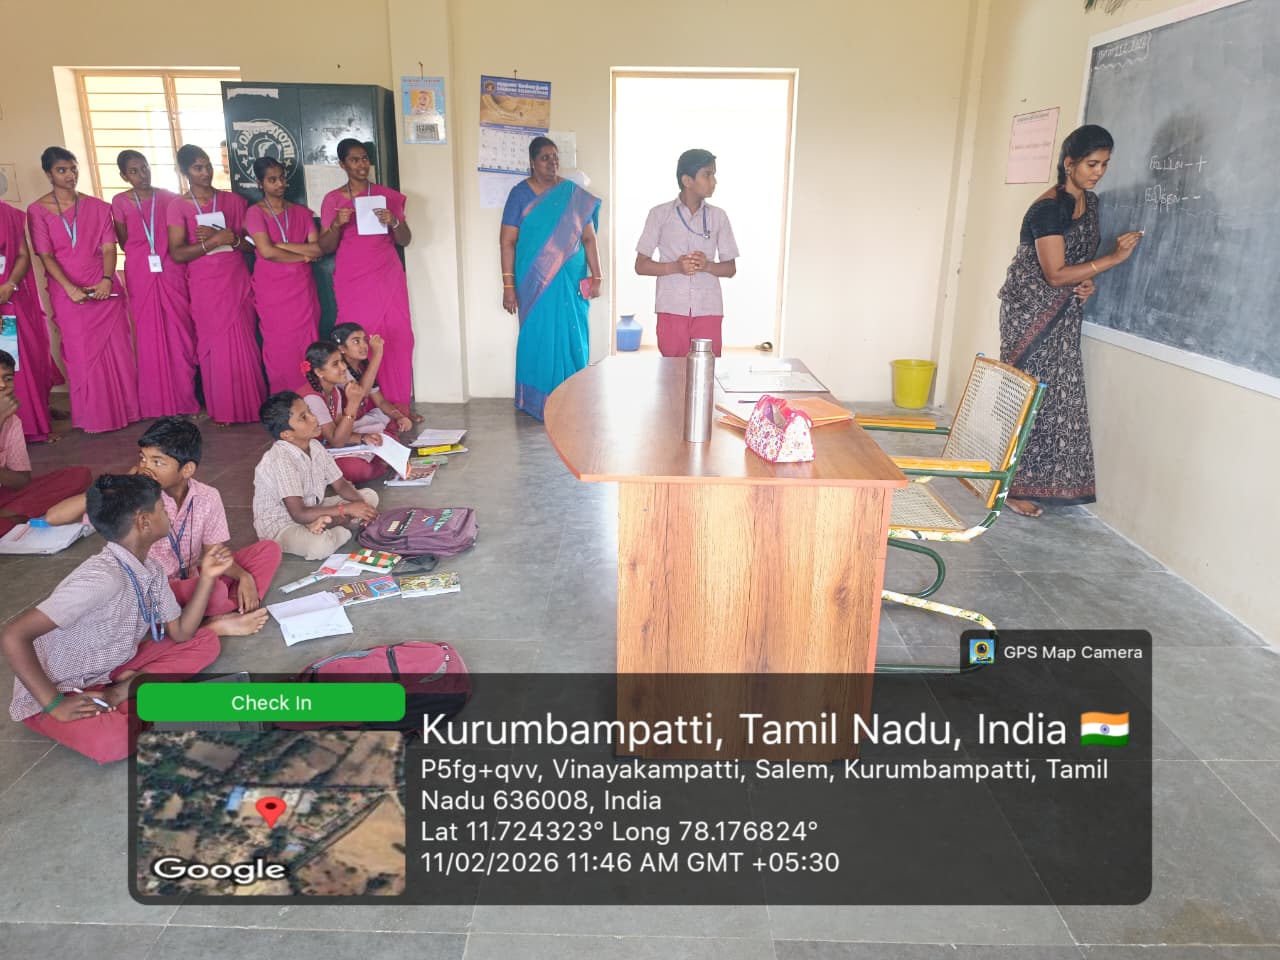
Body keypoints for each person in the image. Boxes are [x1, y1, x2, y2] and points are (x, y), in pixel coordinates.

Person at [1, 474, 226, 764]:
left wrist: (207, 577)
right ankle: (132, 696)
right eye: (162, 507)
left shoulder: (151, 569)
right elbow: (13, 635)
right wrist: (55, 705)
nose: (168, 513)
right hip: (57, 687)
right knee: (114, 741)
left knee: (205, 641)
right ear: (144, 521)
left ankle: (120, 693)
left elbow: (181, 633)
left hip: (108, 668)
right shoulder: (100, 578)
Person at [997, 124, 1143, 517]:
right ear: (1069, 163)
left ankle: (1037, 482)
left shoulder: (1090, 204)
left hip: (1065, 312)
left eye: (1105, 164)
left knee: (1058, 400)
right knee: (1029, 396)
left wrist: (1088, 280)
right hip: (1030, 313)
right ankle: (1008, 487)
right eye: (1092, 164)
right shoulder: (1047, 209)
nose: (1099, 172)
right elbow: (1054, 274)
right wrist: (1112, 259)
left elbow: (1075, 266)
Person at [43, 417, 281, 636]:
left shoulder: (208, 496)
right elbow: (54, 517)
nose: (146, 468)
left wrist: (244, 576)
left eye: (157, 462)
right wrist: (118, 487)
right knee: (215, 592)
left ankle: (202, 615)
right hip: (150, 590)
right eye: (143, 458)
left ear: (187, 469)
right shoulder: (132, 499)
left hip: (190, 578)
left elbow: (214, 553)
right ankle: (208, 623)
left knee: (268, 550)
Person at [27, 147, 140, 434]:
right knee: (80, 353)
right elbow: (45, 255)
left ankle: (127, 411)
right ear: (49, 174)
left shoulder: (99, 207)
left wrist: (106, 280)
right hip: (67, 292)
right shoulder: (37, 211)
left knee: (118, 350)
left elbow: (109, 248)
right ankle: (94, 417)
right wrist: (70, 289)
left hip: (104, 287)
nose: (70, 175)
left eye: (73, 169)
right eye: (61, 170)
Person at [499, 136, 602, 420]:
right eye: (545, 157)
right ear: (532, 163)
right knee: (537, 336)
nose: (552, 162)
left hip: (571, 281)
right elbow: (507, 241)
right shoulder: (520, 195)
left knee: (573, 335)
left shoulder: (572, 194)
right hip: (534, 282)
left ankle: (572, 397)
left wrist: (598, 276)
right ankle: (538, 400)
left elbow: (589, 238)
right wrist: (508, 286)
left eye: (555, 157)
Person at [166, 144, 266, 425]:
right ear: (184, 172)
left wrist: (232, 239)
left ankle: (251, 406)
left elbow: (251, 245)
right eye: (198, 168)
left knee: (243, 342)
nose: (205, 172)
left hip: (235, 281)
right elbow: (177, 253)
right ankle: (223, 410)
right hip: (205, 286)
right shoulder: (177, 207)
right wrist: (212, 242)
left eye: (207, 165)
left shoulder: (233, 201)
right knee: (215, 346)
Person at [318, 139, 415, 408]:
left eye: (364, 158)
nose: (362, 165)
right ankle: (361, 406)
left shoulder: (387, 196)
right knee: (356, 339)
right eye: (354, 160)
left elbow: (405, 239)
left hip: (387, 275)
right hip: (353, 279)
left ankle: (397, 406)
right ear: (342, 165)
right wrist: (336, 225)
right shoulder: (333, 199)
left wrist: (393, 221)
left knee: (398, 337)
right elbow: (325, 247)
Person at [112, 150, 198, 418]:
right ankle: (156, 404)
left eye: (145, 168)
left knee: (180, 334)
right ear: (124, 176)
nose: (142, 175)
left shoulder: (170, 198)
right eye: (134, 171)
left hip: (171, 269)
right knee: (148, 335)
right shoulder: (119, 201)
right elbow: (123, 241)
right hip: (141, 271)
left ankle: (185, 400)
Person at [635, 148, 739, 357]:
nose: (714, 181)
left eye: (714, 174)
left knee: (707, 368)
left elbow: (730, 269)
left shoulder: (718, 217)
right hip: (671, 308)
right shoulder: (659, 215)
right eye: (707, 175)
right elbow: (641, 265)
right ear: (687, 181)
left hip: (708, 309)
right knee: (672, 370)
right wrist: (675, 267)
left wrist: (707, 266)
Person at [252, 391, 379, 560]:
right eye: (303, 417)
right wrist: (347, 510)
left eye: (309, 411)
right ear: (287, 434)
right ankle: (341, 527)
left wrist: (361, 506)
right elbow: (298, 514)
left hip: (312, 508)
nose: (313, 418)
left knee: (369, 496)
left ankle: (326, 523)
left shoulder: (315, 446)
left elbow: (340, 484)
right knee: (320, 546)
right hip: (283, 526)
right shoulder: (280, 459)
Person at [245, 157, 322, 394]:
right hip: (273, 291)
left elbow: (318, 249)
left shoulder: (302, 213)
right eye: (272, 180)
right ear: (260, 184)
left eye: (281, 178)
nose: (280, 184)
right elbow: (267, 252)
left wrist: (283, 245)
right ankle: (284, 401)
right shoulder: (254, 213)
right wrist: (303, 256)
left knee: (307, 344)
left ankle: (312, 398)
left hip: (302, 290)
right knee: (280, 347)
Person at [0, 351, 91, 537]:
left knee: (78, 475)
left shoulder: (12, 422)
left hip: (4, 495)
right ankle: (12, 519)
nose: (2, 385)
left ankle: (9, 518)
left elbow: (22, 481)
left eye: (7, 378)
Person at [0, 198, 60, 442]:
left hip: (11, 296)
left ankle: (31, 426)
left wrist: (9, 284)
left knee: (19, 362)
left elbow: (22, 255)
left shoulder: (10, 215)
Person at [298, 340, 397, 485]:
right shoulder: (312, 398)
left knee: (381, 440)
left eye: (342, 362)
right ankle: (382, 465)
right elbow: (337, 441)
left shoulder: (334, 391)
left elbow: (341, 431)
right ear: (319, 372)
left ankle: (382, 461)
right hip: (310, 454)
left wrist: (363, 438)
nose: (344, 367)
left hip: (330, 447)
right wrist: (353, 404)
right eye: (335, 364)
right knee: (357, 469)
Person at [332, 321, 420, 429]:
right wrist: (377, 354)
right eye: (356, 341)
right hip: (344, 424)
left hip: (359, 418)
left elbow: (380, 401)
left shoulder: (361, 368)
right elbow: (362, 394)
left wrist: (400, 417)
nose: (364, 345)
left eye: (365, 340)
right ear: (341, 348)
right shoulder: (340, 370)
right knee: (381, 426)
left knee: (398, 410)